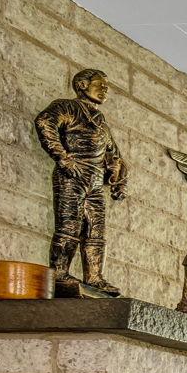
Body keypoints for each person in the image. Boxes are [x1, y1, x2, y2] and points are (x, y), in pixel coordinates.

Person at [33, 68, 127, 297]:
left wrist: (117, 176)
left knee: (96, 230)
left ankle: (95, 277)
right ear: (82, 85)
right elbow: (45, 122)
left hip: (95, 181)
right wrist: (63, 158)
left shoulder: (101, 122)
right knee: (69, 226)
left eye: (106, 86)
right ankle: (59, 273)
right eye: (100, 85)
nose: (104, 90)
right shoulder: (67, 107)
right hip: (73, 176)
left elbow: (113, 153)